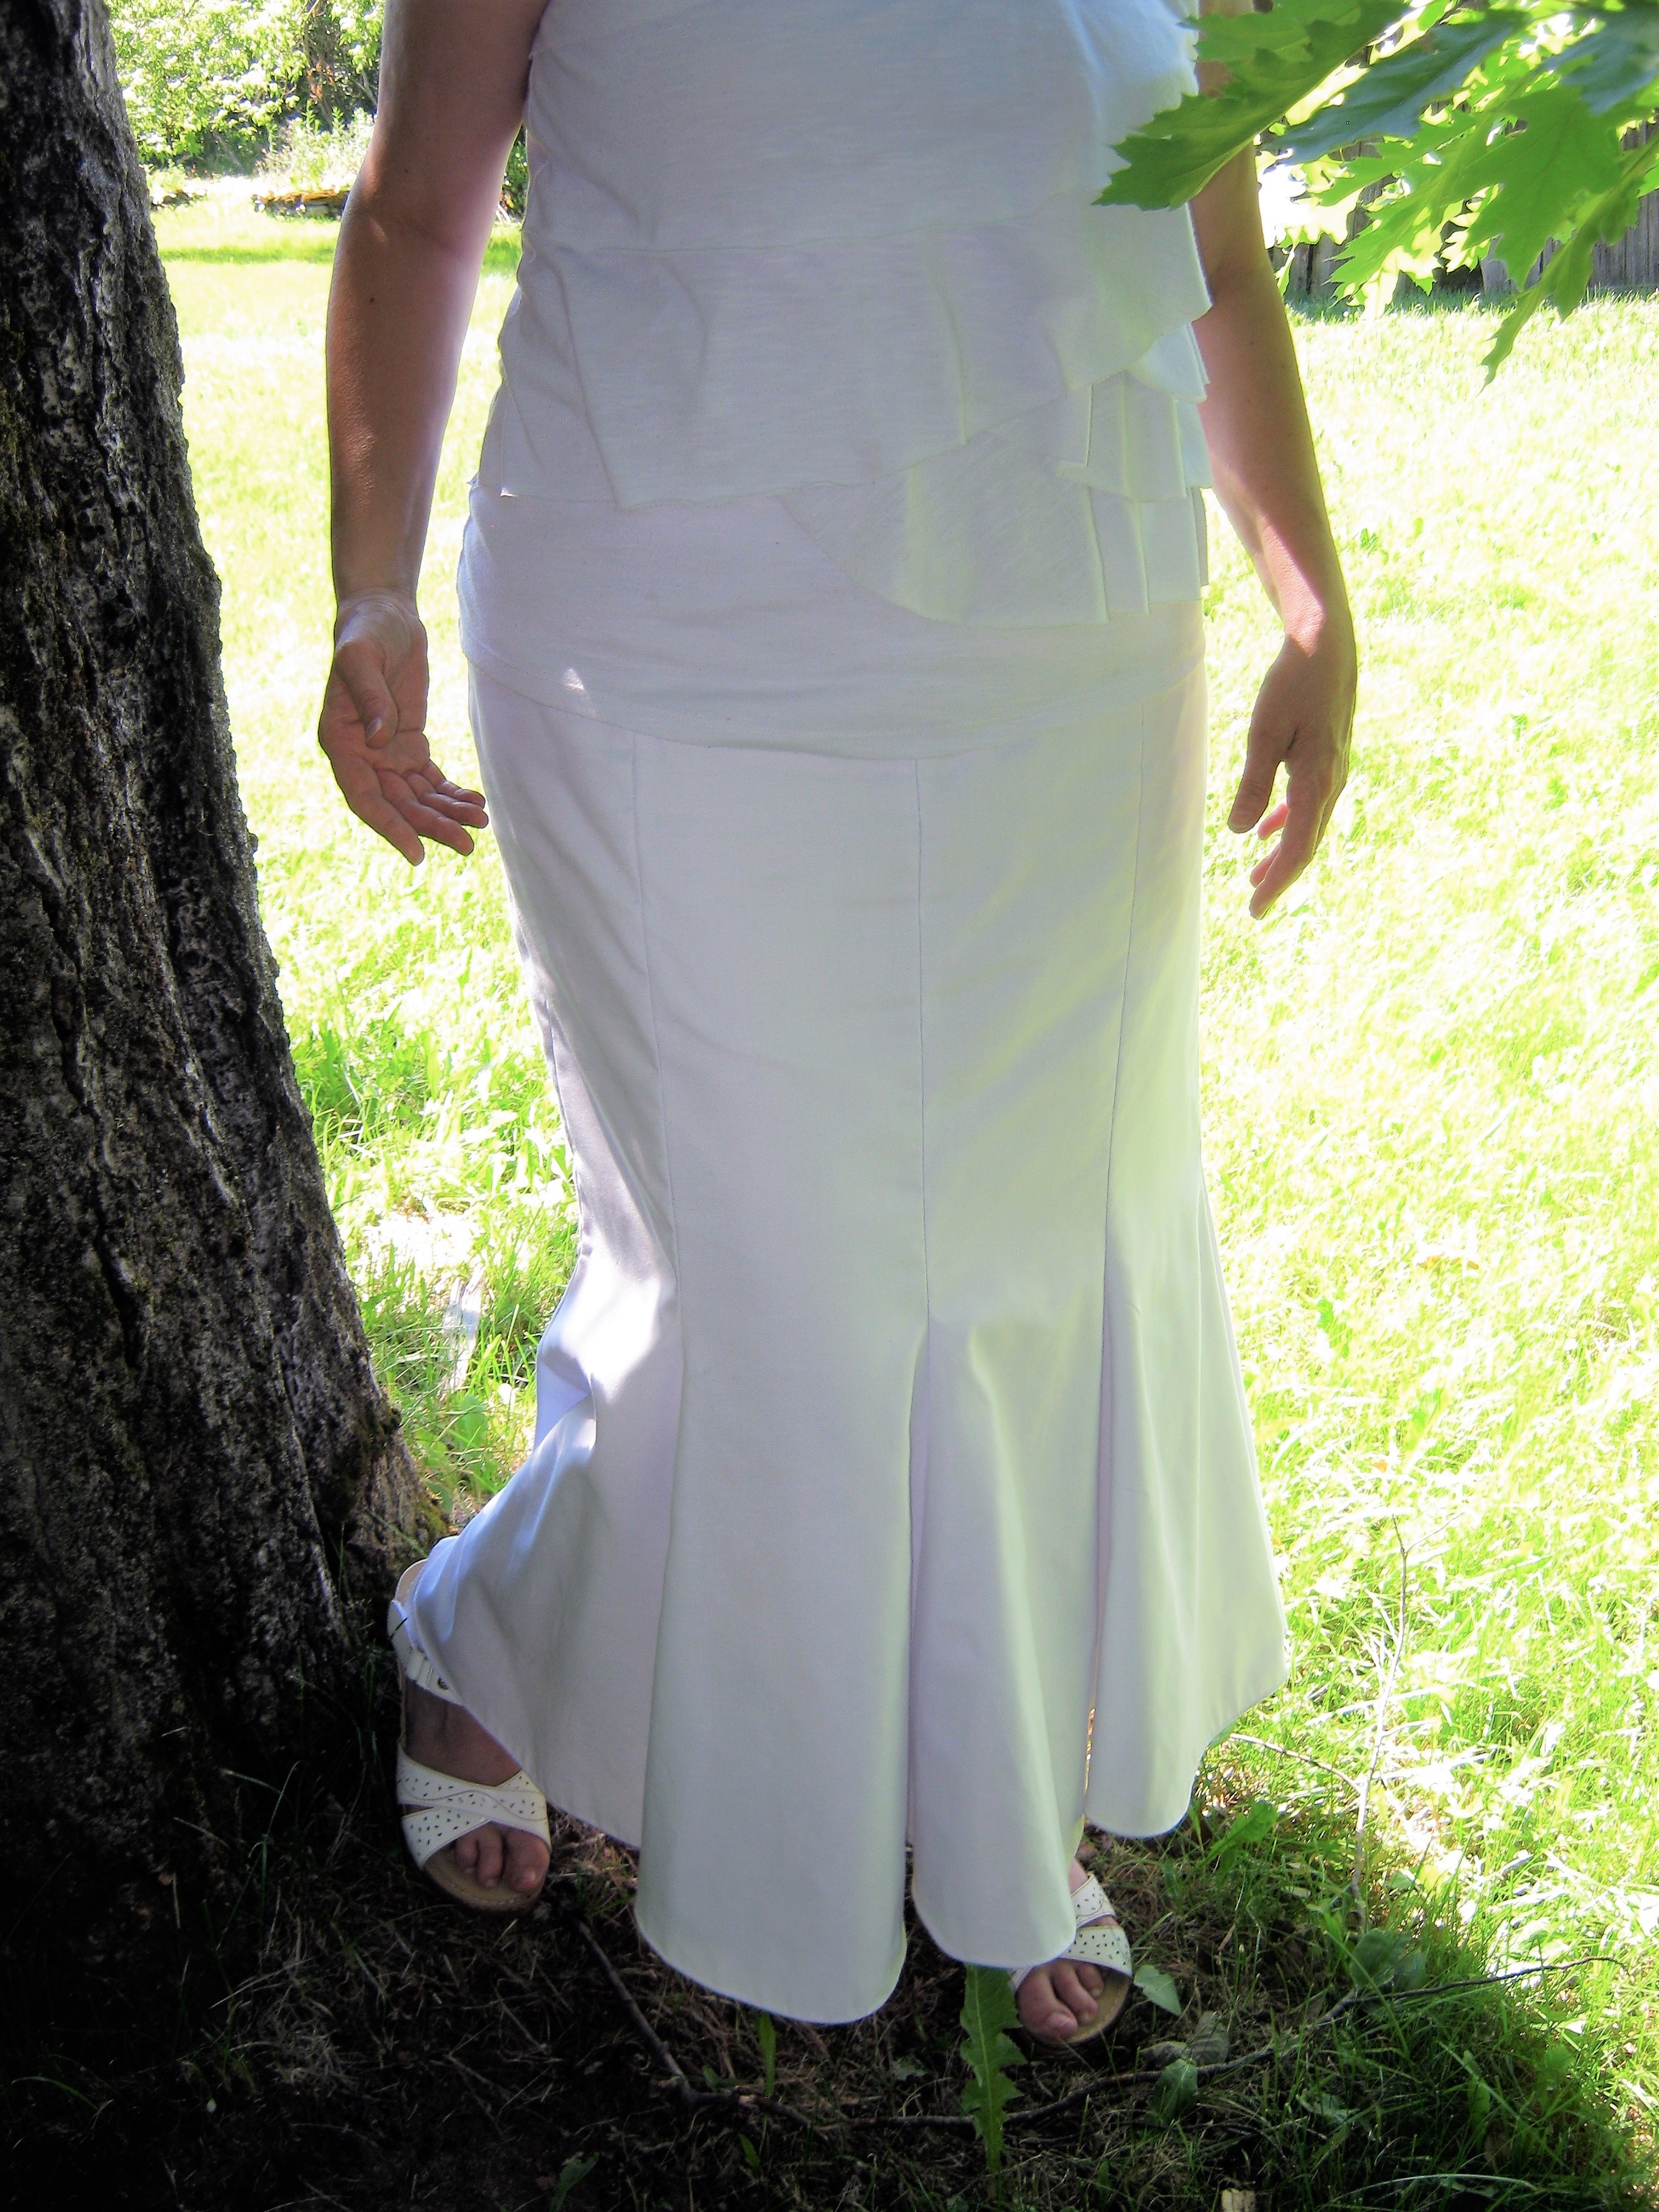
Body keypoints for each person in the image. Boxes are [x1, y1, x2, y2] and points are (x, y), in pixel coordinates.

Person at [319, 0, 1354, 2046]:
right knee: (764, 1261)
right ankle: (492, 1638)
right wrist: (370, 591)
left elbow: (1215, 253)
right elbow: (418, 209)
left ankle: (996, 1786)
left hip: (1075, 641)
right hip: (677, 640)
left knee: (1036, 1251)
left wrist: (1311, 603)